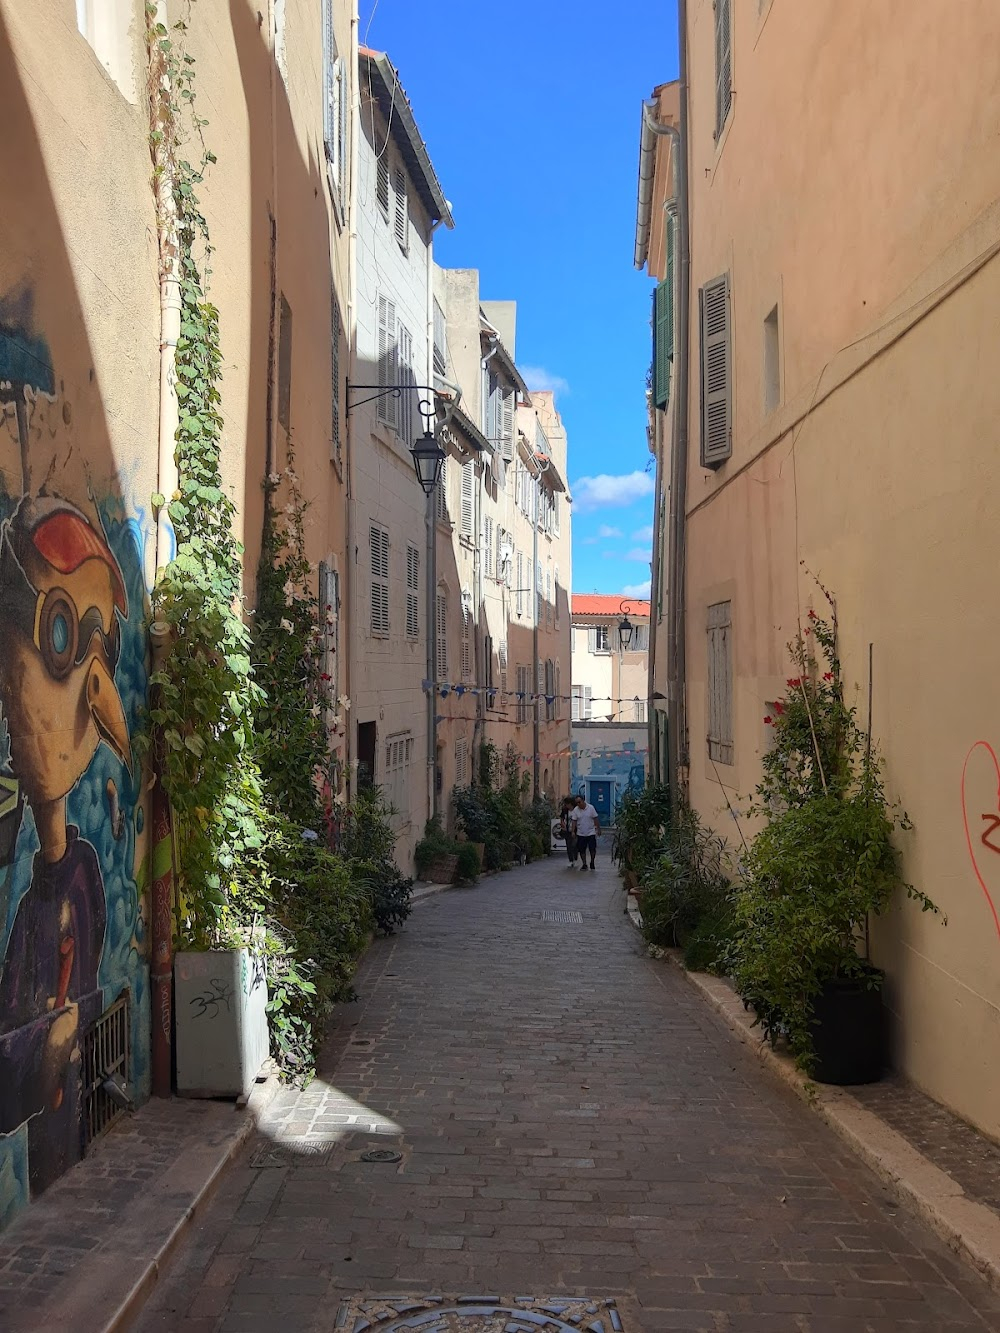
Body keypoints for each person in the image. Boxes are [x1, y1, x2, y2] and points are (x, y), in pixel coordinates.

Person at [570, 793, 601, 871]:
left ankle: (592, 862)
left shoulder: (591, 808)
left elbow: (595, 818)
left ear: (583, 801)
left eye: (579, 802)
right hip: (581, 833)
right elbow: (574, 821)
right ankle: (584, 864)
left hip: (591, 832)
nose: (578, 804)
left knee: (592, 849)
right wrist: (573, 831)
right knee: (582, 849)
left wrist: (598, 829)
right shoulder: (576, 810)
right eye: (577, 803)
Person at [559, 796, 578, 867]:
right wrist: (563, 825)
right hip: (567, 830)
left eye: (567, 804)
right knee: (569, 845)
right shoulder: (565, 810)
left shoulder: (576, 810)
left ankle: (575, 858)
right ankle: (571, 860)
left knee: (575, 845)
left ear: (570, 804)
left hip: (576, 830)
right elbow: (561, 818)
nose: (566, 806)